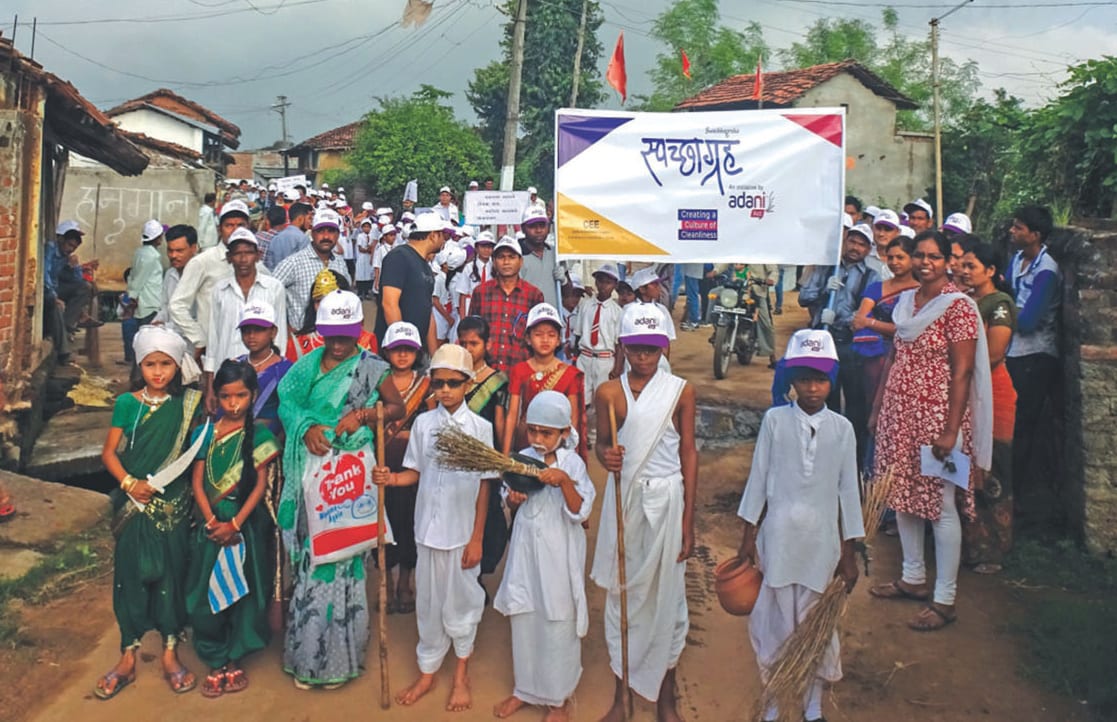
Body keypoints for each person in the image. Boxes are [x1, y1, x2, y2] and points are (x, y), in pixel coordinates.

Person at [277, 290, 405, 690]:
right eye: (331, 334)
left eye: (345, 336)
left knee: (347, 557)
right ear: (321, 332)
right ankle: (307, 656)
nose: (337, 343)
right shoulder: (304, 367)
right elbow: (287, 404)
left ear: (358, 333)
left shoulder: (372, 368)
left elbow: (396, 408)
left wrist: (364, 414)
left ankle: (339, 659)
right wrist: (309, 428)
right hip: (312, 471)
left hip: (352, 473)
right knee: (316, 558)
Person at [736, 329, 863, 722]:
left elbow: (848, 491)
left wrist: (849, 551)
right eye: (805, 378)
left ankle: (812, 708)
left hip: (821, 543)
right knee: (774, 621)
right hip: (778, 539)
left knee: (816, 628)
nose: (813, 387)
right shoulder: (774, 421)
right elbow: (759, 477)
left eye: (821, 379)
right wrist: (748, 536)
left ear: (832, 381)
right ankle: (772, 705)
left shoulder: (843, 429)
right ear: (791, 380)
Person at [868, 231, 992, 632]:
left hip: (939, 420)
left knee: (941, 506)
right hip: (899, 416)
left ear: (947, 262)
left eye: (934, 257)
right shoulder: (907, 302)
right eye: (919, 255)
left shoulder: (958, 308)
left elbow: (963, 371)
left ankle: (945, 600)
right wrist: (878, 409)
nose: (925, 263)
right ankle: (913, 577)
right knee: (901, 496)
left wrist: (951, 430)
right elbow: (895, 358)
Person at [591, 302, 698, 722]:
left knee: (669, 601)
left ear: (663, 349)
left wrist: (688, 520)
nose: (643, 358)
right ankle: (623, 696)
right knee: (623, 597)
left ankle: (665, 696)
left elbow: (688, 452)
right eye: (635, 349)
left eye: (651, 350)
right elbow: (603, 442)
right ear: (624, 347)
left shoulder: (680, 391)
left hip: (669, 501)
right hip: (627, 503)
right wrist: (606, 456)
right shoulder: (609, 393)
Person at [372, 344, 493, 712]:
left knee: (461, 603)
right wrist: (390, 479)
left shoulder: (480, 428)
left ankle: (460, 674)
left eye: (453, 384)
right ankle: (428, 671)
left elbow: (485, 484)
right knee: (428, 603)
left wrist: (476, 538)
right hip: (426, 530)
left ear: (468, 384)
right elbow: (415, 473)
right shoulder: (423, 424)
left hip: (460, 533)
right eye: (438, 383)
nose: (445, 390)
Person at [94, 326, 204, 700]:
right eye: (151, 364)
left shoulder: (188, 405)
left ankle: (171, 652)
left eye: (166, 364)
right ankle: (128, 654)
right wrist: (128, 483)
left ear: (177, 366)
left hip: (173, 506)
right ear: (140, 365)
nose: (158, 372)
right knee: (130, 576)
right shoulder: (127, 403)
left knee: (171, 576)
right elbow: (109, 453)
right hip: (134, 503)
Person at [493, 391, 595, 722]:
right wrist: (514, 500)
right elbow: (507, 501)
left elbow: (580, 510)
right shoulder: (520, 459)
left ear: (564, 433)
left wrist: (563, 482)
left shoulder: (573, 464)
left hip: (558, 555)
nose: (537, 439)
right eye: (533, 431)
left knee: (557, 624)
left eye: (546, 433)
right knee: (525, 620)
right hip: (526, 553)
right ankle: (524, 689)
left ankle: (557, 699)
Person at [186, 359, 280, 698]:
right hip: (210, 525)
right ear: (216, 397)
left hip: (245, 526)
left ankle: (235, 655)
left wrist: (234, 524)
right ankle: (214, 655)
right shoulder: (204, 433)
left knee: (244, 590)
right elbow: (197, 483)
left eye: (241, 395)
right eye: (226, 396)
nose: (234, 404)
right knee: (204, 591)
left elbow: (259, 487)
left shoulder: (262, 435)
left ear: (253, 395)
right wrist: (213, 522)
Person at [798, 225, 880, 462]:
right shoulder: (826, 268)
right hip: (822, 341)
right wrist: (824, 291)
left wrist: (843, 318)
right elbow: (804, 297)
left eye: (862, 244)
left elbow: (866, 313)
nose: (855, 248)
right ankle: (822, 451)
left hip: (850, 344)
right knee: (823, 396)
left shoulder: (872, 275)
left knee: (854, 400)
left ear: (868, 249)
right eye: (852, 241)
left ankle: (851, 456)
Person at [959, 242, 1017, 574]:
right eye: (962, 265)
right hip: (968, 391)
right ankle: (974, 547)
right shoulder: (968, 301)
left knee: (994, 472)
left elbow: (994, 353)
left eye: (972, 266)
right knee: (970, 471)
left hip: (992, 393)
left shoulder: (999, 305)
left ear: (991, 271)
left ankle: (995, 550)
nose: (964, 270)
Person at [1003, 205, 1059, 523]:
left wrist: (1001, 313)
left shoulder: (1046, 270)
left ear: (1035, 235)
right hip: (1015, 353)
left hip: (1035, 356)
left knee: (1023, 426)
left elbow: (1028, 320)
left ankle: (1017, 495)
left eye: (1019, 227)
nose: (1013, 231)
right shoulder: (1018, 261)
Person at [378, 322, 432, 614]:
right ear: (386, 352)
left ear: (417, 353)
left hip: (414, 464)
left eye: (408, 350)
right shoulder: (378, 382)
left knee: (411, 521)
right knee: (381, 521)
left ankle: (405, 581)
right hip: (382, 461)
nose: (402, 355)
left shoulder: (426, 386)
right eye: (396, 350)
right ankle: (385, 579)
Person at [204, 228, 287, 414]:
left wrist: (275, 375)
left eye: (248, 253)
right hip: (227, 377)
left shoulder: (274, 288)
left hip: (263, 376)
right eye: (237, 253)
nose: (243, 259)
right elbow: (214, 340)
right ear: (229, 257)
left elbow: (280, 335)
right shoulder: (220, 289)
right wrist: (210, 387)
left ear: (258, 255)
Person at [458, 316, 512, 584]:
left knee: (487, 517)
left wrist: (502, 460)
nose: (469, 349)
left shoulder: (498, 381)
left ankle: (478, 575)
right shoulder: (452, 376)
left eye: (474, 343)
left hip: (484, 460)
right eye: (464, 343)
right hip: (455, 460)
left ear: (487, 344)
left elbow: (500, 422)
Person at [851, 233, 920, 439]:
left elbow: (909, 330)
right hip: (876, 359)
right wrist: (888, 328)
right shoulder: (877, 287)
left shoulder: (921, 291)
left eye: (900, 257)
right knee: (873, 408)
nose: (894, 262)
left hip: (908, 360)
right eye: (890, 257)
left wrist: (872, 324)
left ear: (912, 258)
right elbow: (857, 321)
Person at [169, 200, 255, 361]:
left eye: (240, 225)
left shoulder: (256, 265)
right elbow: (177, 304)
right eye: (229, 225)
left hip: (248, 350)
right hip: (213, 351)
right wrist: (199, 338)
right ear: (219, 229)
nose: (235, 230)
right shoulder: (203, 262)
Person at [503, 303, 585, 462]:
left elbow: (572, 419)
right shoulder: (519, 370)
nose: (545, 340)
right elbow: (512, 415)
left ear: (559, 340)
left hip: (556, 445)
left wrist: (570, 458)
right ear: (528, 338)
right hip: (527, 441)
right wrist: (505, 455)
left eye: (551, 335)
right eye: (538, 334)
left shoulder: (569, 374)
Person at [469, 235, 545, 372]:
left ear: (520, 261)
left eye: (511, 257)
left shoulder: (534, 295)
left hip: (520, 370)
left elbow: (537, 336)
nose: (506, 262)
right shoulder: (480, 292)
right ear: (494, 261)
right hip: (485, 371)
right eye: (501, 257)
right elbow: (471, 332)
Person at [375, 212, 447, 353]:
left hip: (417, 350)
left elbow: (428, 311)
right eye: (442, 235)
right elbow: (389, 304)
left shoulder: (425, 265)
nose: (444, 240)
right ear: (433, 235)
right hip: (397, 353)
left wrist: (434, 356)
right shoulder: (399, 257)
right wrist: (402, 347)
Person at [273, 209, 352, 332]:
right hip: (303, 341)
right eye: (320, 231)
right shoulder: (293, 263)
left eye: (331, 231)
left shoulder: (340, 262)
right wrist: (285, 328)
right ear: (312, 233)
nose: (326, 236)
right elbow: (269, 295)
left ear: (337, 234)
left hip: (335, 338)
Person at [285, 270, 378, 361]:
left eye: (332, 301)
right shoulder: (298, 343)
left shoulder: (365, 340)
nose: (325, 308)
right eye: (319, 301)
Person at [233, 301, 292, 437]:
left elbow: (290, 413)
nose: (251, 336)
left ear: (273, 332)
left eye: (258, 330)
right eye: (246, 330)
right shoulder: (236, 365)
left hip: (270, 443)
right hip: (235, 438)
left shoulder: (286, 369)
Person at [574, 263, 622, 406]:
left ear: (615, 285)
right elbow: (578, 333)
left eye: (608, 282)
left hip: (605, 359)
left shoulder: (617, 311)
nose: (603, 286)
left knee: (604, 400)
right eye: (600, 281)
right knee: (582, 399)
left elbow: (619, 343)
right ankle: (582, 427)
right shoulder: (585, 305)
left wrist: (617, 367)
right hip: (585, 357)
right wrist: (577, 356)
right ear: (595, 281)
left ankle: (601, 428)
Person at [121, 219, 166, 363]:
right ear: (158, 238)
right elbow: (140, 278)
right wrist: (132, 296)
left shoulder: (140, 252)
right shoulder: (151, 256)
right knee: (146, 337)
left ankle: (135, 359)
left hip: (145, 300)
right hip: (149, 301)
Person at [152, 225, 198, 336]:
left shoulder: (202, 276)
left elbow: (198, 321)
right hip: (170, 338)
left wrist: (165, 327)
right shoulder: (170, 274)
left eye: (179, 251)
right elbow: (165, 308)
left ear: (193, 248)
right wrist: (155, 324)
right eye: (170, 250)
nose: (173, 255)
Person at [519, 206, 565, 309]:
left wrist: (565, 281)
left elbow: (568, 294)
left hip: (552, 318)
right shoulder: (515, 256)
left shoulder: (556, 254)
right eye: (532, 226)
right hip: (526, 318)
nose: (538, 230)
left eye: (542, 225)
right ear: (523, 229)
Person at [454, 231, 495, 319]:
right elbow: (463, 294)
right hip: (472, 307)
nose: (486, 250)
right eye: (483, 246)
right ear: (476, 248)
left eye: (489, 247)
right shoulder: (469, 267)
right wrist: (462, 318)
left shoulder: (495, 267)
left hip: (491, 307)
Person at [263, 202, 312, 271]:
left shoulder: (276, 237)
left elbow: (269, 264)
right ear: (300, 219)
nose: (310, 222)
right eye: (309, 218)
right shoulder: (303, 239)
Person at [748, 263, 780, 368]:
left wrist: (771, 279)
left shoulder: (763, 251)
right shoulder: (737, 249)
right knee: (715, 295)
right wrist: (716, 271)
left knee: (766, 323)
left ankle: (772, 355)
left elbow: (773, 270)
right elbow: (724, 260)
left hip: (757, 291)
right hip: (736, 288)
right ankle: (716, 328)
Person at [355, 218, 375, 299]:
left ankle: (366, 292)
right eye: (365, 227)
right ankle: (360, 292)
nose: (366, 228)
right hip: (362, 257)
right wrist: (367, 250)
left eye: (368, 227)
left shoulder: (372, 237)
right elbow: (360, 248)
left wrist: (370, 249)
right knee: (360, 274)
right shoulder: (360, 236)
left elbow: (372, 247)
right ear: (362, 228)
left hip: (368, 258)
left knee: (367, 274)